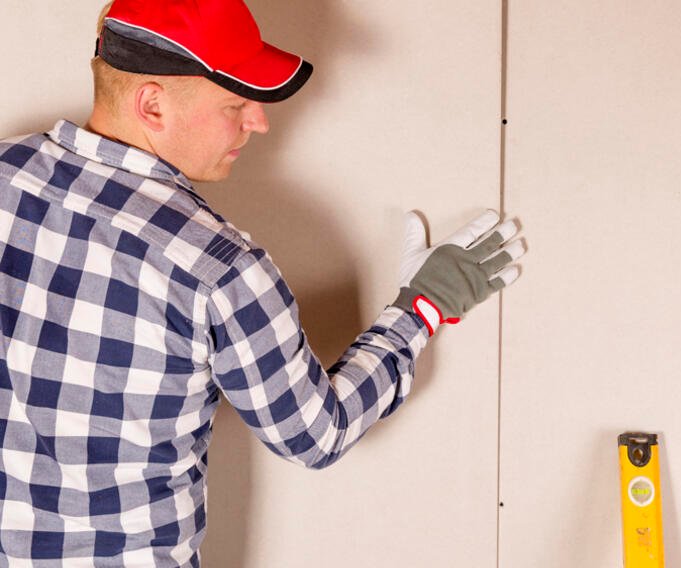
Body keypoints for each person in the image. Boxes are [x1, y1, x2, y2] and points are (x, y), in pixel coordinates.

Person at [0, 0, 525, 565]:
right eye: (235, 103)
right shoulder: (219, 267)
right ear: (151, 103)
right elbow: (316, 434)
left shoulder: (7, 174)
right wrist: (422, 306)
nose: (259, 121)